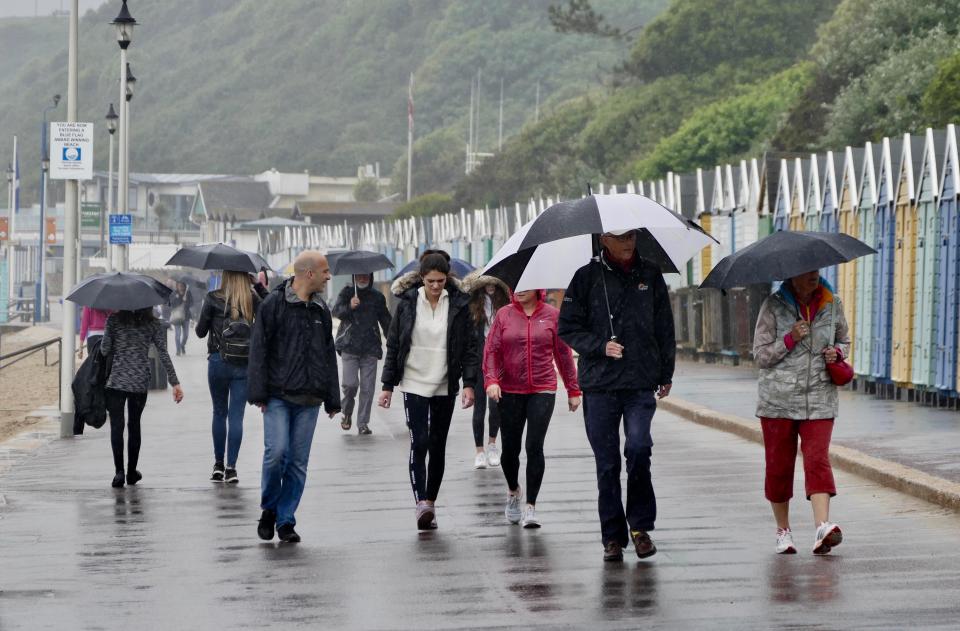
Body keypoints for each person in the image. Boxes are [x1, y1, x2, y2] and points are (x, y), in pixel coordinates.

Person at [558, 229, 675, 562]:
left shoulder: (650, 274)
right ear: (603, 239)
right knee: (607, 464)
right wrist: (599, 346)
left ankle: (640, 529)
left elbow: (664, 326)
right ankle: (612, 536)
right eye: (620, 237)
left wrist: (666, 373)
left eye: (632, 237)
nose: (628, 243)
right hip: (599, 385)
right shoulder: (585, 277)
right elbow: (567, 327)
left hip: (640, 383)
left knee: (638, 448)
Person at [378, 250, 479, 531]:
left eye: (441, 280)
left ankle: (430, 503)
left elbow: (470, 348)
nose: (436, 286)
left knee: (437, 446)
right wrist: (387, 386)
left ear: (447, 278)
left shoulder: (458, 304)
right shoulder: (408, 303)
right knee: (419, 442)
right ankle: (420, 501)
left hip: (445, 383)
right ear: (422, 278)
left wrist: (469, 384)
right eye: (431, 281)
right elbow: (395, 345)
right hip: (413, 382)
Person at [753, 270, 849, 555]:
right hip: (778, 401)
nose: (814, 277)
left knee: (817, 459)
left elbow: (844, 340)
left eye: (817, 272)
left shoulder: (833, 304)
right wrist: (789, 338)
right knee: (779, 466)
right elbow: (760, 355)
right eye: (807, 273)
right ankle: (783, 531)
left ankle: (822, 527)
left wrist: (837, 353)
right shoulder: (772, 306)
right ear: (792, 277)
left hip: (820, 398)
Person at [248, 251, 341, 543]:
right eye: (325, 271)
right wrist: (258, 392)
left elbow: (328, 354)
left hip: (310, 398)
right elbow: (259, 350)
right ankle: (269, 509)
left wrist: (332, 398)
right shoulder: (273, 305)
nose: (329, 277)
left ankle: (286, 520)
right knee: (276, 454)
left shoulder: (321, 310)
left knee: (297, 462)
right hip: (277, 395)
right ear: (309, 273)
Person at [484, 288, 581, 528]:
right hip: (509, 390)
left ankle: (531, 507)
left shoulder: (552, 315)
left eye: (526, 286)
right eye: (515, 287)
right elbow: (492, 351)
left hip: (542, 389)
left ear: (538, 289)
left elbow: (563, 353)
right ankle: (514, 491)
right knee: (510, 451)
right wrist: (492, 380)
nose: (520, 291)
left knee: (534, 446)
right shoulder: (504, 315)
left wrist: (573, 389)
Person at [195, 270, 268, 484]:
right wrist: (258, 286)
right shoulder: (251, 298)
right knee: (236, 417)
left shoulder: (212, 297)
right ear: (246, 277)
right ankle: (231, 468)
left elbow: (200, 332)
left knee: (219, 413)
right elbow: (272, 309)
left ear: (225, 276)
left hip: (218, 361)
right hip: (243, 364)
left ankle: (218, 465)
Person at [100, 307, 184, 488]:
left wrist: (112, 336)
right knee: (134, 425)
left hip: (116, 381)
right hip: (139, 382)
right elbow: (163, 353)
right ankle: (131, 472)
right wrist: (175, 382)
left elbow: (105, 350)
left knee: (117, 425)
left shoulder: (113, 320)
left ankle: (119, 472)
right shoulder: (152, 323)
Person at [331, 273, 391, 435]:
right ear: (354, 277)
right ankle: (347, 412)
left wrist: (393, 341)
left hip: (370, 347)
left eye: (366, 276)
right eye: (359, 276)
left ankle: (363, 423)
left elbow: (386, 320)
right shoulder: (347, 293)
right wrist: (349, 306)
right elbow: (336, 312)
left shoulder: (377, 297)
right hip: (349, 346)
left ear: (370, 277)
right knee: (350, 385)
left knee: (367, 388)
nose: (363, 279)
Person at [462, 271, 510, 469]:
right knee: (479, 408)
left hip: (500, 360)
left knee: (496, 406)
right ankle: (479, 451)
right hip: (480, 361)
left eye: (493, 284)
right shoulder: (474, 307)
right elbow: (469, 342)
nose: (490, 287)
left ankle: (492, 444)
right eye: (486, 284)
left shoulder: (505, 306)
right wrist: (468, 375)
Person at [169, 280, 194, 356]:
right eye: (179, 286)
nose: (180, 287)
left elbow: (192, 303)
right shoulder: (174, 293)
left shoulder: (188, 293)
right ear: (177, 286)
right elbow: (171, 303)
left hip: (186, 317)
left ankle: (182, 345)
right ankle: (178, 350)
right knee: (177, 334)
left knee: (186, 335)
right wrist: (179, 298)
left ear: (184, 286)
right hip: (177, 316)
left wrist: (186, 302)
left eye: (182, 286)